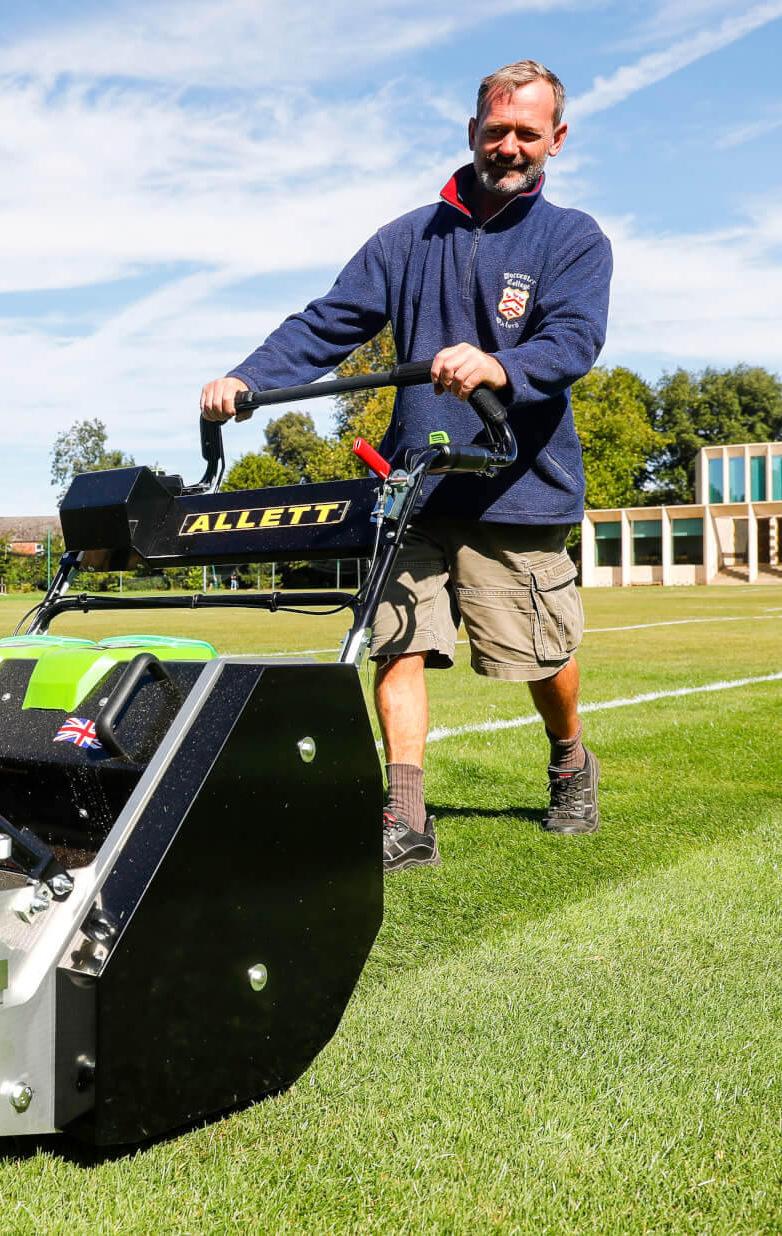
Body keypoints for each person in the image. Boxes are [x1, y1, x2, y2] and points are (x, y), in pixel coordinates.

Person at [199, 60, 612, 874]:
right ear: (472, 133)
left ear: (556, 141)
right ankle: (407, 816)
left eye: (529, 132)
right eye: (497, 130)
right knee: (400, 641)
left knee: (537, 656)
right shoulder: (406, 239)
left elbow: (574, 341)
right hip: (415, 486)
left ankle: (571, 761)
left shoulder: (573, 239)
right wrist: (249, 379)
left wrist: (503, 368)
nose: (511, 145)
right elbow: (326, 323)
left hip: (516, 485)